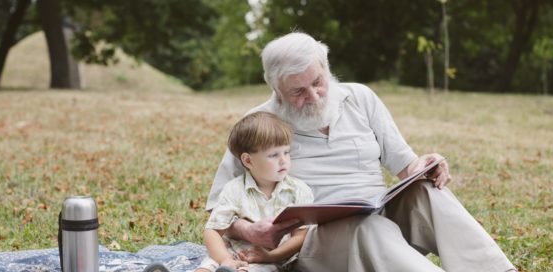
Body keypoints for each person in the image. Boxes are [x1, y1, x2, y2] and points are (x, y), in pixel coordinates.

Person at [206, 32, 517, 271]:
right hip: (316, 243)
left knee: (427, 192)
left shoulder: (360, 98)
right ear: (276, 90)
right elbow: (217, 208)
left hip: (379, 217)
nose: (314, 96)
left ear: (326, 68)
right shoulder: (258, 126)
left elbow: (407, 165)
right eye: (298, 91)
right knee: (368, 227)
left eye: (318, 82)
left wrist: (427, 165)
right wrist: (251, 230)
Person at [196, 111, 314, 272]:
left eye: (286, 152)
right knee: (207, 267)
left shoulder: (298, 191)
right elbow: (213, 231)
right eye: (273, 155)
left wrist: (271, 256)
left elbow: (300, 236)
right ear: (248, 160)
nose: (283, 160)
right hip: (230, 252)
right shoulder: (234, 189)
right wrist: (225, 259)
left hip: (270, 258)